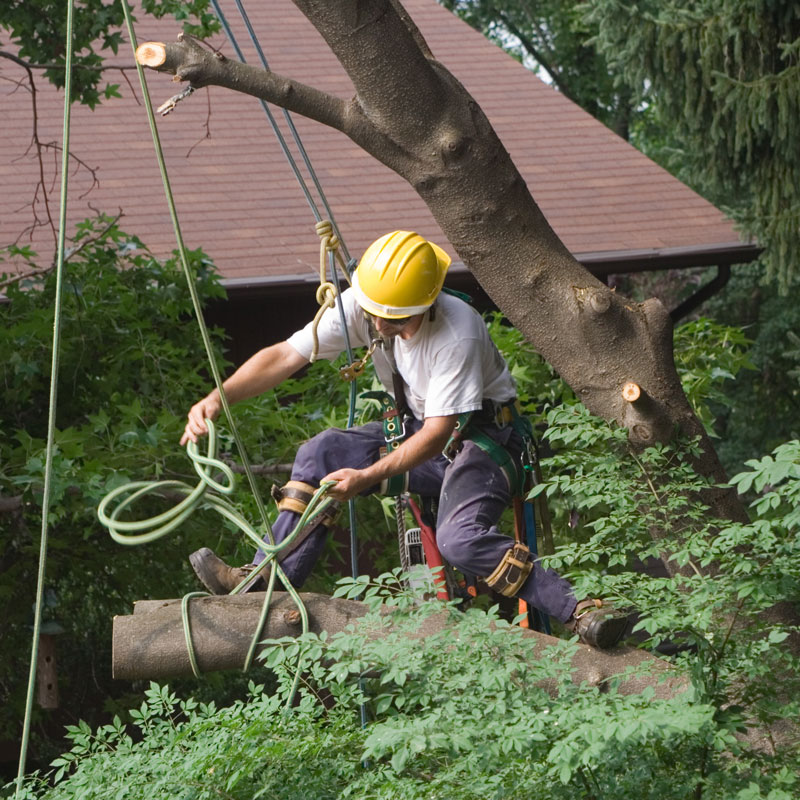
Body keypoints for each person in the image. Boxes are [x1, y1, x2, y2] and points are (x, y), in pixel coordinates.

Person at [182, 231, 626, 649]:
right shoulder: (372, 301)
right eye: (373, 311)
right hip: (424, 430)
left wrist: (365, 477)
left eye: (390, 317)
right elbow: (285, 354)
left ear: (423, 305)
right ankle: (266, 582)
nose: (375, 322)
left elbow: (438, 435)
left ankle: (579, 610)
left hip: (485, 440)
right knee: (321, 452)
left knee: (459, 538)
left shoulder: (458, 333)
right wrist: (218, 398)